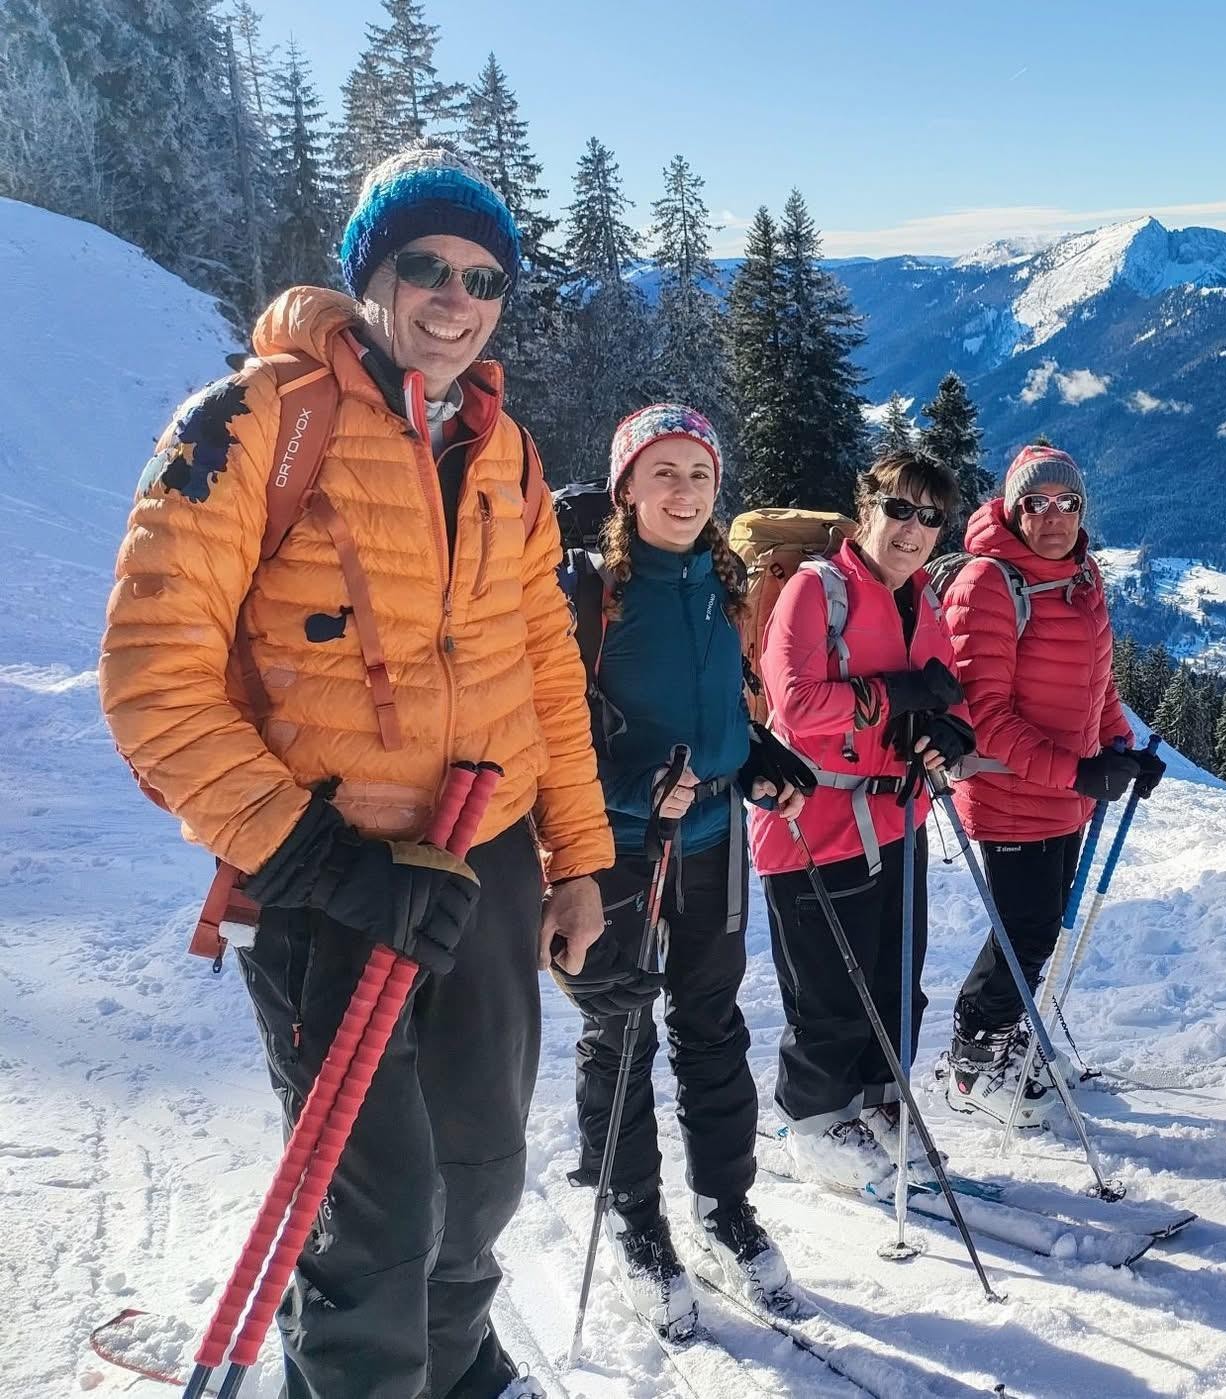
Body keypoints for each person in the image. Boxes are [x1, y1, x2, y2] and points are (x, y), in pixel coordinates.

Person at [99, 144, 609, 1399]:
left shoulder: (507, 451)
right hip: (331, 876)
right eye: (425, 265)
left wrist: (580, 859)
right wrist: (321, 861)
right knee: (371, 1213)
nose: (454, 298)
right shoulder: (251, 423)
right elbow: (154, 682)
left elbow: (544, 665)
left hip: (484, 859)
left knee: (480, 1173)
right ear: (367, 271)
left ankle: (459, 1368)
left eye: (483, 278)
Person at [549, 405, 812, 1326]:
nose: (684, 491)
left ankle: (724, 1205)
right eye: (662, 472)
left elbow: (720, 705)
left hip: (713, 837)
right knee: (620, 1029)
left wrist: (757, 755)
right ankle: (636, 1219)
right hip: (615, 846)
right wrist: (633, 788)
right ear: (625, 487)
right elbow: (551, 732)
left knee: (713, 1025)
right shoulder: (590, 593)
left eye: (700, 474)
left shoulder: (721, 580)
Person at [750, 449, 973, 1188]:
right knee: (828, 993)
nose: (913, 529)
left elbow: (946, 690)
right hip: (813, 821)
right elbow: (795, 703)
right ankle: (815, 1121)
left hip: (898, 815)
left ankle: (880, 1100)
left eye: (930, 517)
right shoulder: (818, 590)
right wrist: (893, 694)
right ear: (866, 507)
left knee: (895, 981)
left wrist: (948, 729)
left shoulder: (923, 598)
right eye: (899, 508)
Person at [933, 443, 1163, 1123]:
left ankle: (1005, 1035)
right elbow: (985, 718)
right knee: (1024, 933)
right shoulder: (987, 583)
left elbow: (1098, 683)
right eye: (1036, 503)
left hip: (1068, 795)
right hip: (1011, 794)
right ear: (1013, 509)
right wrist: (1079, 771)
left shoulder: (1082, 575)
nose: (1053, 516)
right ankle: (973, 1065)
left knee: (1041, 928)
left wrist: (1122, 748)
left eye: (1068, 502)